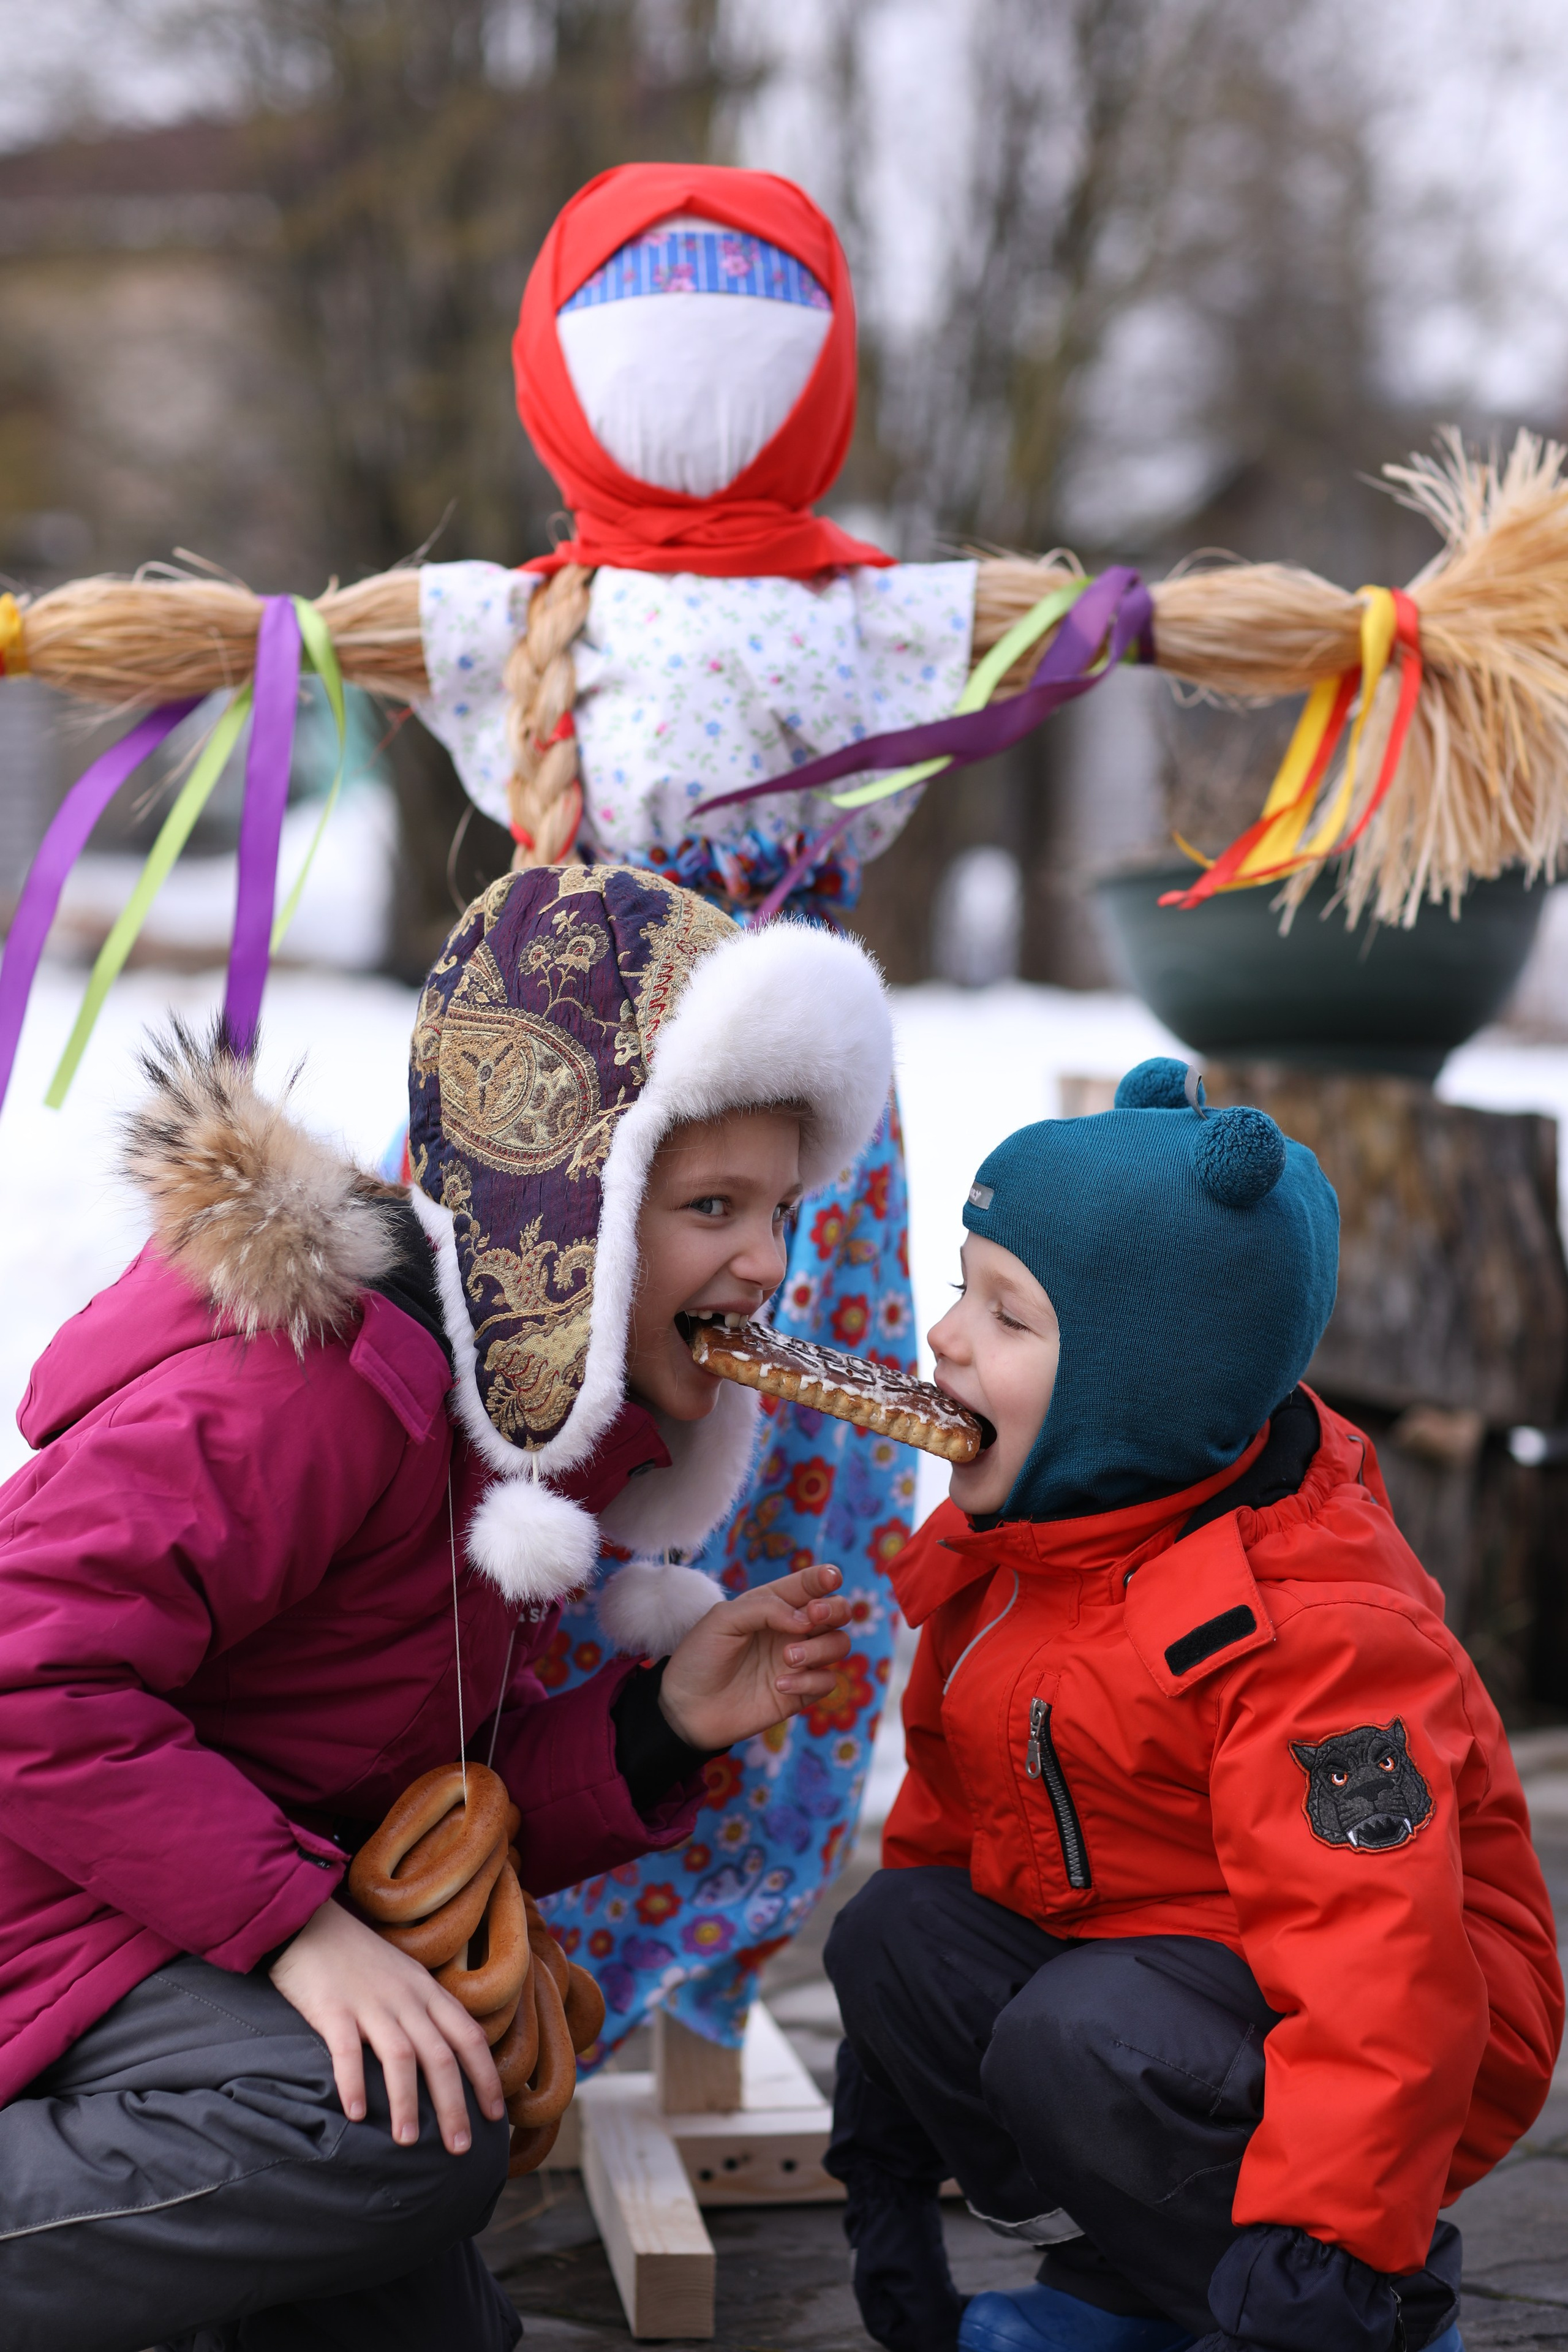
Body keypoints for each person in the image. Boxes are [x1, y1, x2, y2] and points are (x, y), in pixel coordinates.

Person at [0, 861, 893, 2352]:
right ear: (568, 1200)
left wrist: (658, 1726)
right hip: (54, 1918)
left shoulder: (521, 1437)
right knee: (402, 2137)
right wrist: (296, 1930)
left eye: (781, 1211)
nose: (766, 1262)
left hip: (172, 1920)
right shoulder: (305, 1388)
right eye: (709, 1207)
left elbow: (424, 1804)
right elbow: (29, 1678)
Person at [821, 1057, 1563, 2352]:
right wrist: (884, 2140)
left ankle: (1355, 2294)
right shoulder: (1017, 1550)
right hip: (1160, 1967)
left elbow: (1382, 1981)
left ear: (1133, 1386)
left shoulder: (1316, 1640)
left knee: (1084, 2036)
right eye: (960, 1287)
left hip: (1404, 2026)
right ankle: (1155, 2270)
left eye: (1006, 1315)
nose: (941, 1338)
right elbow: (952, 1834)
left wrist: (1322, 2278)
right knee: (897, 1930)